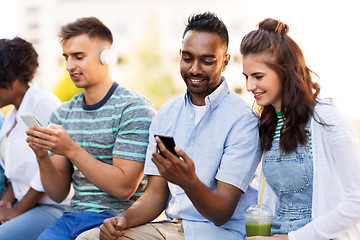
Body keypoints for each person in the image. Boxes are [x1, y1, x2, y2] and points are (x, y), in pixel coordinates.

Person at [77, 12, 261, 240]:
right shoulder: (166, 115)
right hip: (172, 228)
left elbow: (222, 212)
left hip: (219, 232)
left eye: (207, 60)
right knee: (90, 238)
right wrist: (123, 219)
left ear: (225, 62)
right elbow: (155, 196)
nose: (194, 69)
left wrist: (188, 181)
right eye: (187, 58)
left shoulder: (243, 120)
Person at [26, 17, 156, 240]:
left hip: (114, 222)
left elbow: (124, 188)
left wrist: (71, 149)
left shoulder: (134, 109)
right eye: (66, 57)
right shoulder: (63, 113)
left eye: (78, 57)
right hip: (72, 218)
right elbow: (58, 194)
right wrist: (41, 157)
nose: (69, 66)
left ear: (106, 57)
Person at [240, 18, 360, 240]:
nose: (249, 86)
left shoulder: (327, 118)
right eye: (246, 77)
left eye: (258, 76)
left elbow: (357, 202)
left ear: (284, 72)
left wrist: (291, 238)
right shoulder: (270, 124)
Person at [0, 37, 68, 239]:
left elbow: (49, 167)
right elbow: (19, 172)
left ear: (12, 80)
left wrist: (17, 210)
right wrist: (6, 201)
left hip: (50, 207)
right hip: (23, 205)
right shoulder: (12, 116)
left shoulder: (43, 103)